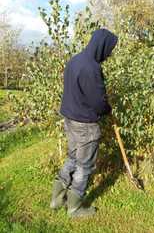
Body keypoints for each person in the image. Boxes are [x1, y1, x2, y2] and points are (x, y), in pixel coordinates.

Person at [50, 28, 118, 218]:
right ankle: (74, 208)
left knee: (72, 158)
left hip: (70, 119)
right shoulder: (91, 68)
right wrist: (107, 109)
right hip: (85, 125)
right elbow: (98, 102)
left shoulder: (75, 60)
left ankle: (56, 200)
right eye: (110, 49)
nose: (110, 54)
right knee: (84, 166)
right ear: (102, 46)